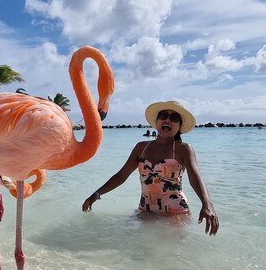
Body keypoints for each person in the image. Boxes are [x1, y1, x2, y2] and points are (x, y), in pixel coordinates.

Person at [82, 101, 219, 235]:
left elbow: (195, 177)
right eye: (163, 115)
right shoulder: (141, 147)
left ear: (179, 125)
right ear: (157, 121)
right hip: (146, 210)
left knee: (170, 255)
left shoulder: (183, 149)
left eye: (174, 117)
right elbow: (121, 176)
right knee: (138, 251)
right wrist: (97, 194)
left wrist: (207, 204)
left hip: (175, 213)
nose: (168, 120)